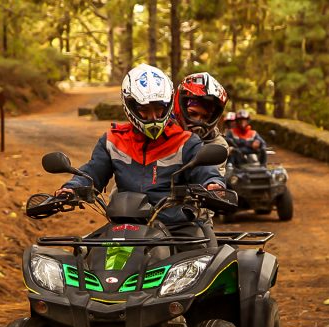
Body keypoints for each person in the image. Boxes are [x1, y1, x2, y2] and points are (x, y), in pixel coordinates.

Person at [58, 64, 225, 225]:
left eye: (158, 108)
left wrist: (213, 185)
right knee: (89, 252)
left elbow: (205, 171)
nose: (153, 116)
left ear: (168, 105)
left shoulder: (187, 141)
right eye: (144, 109)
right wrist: (72, 188)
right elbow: (93, 171)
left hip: (176, 229)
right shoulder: (113, 140)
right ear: (130, 106)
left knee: (209, 252)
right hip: (126, 226)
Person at [172, 72, 229, 176]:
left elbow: (212, 177)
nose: (199, 121)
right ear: (180, 107)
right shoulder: (164, 132)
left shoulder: (218, 145)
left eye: (206, 117)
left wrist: (212, 184)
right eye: (193, 114)